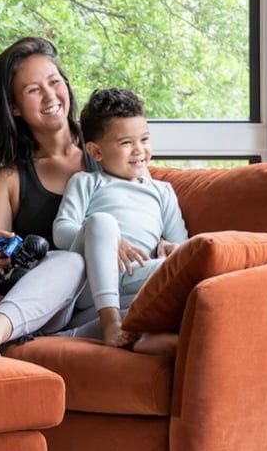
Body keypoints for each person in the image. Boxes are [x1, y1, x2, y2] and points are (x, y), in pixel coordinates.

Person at [0, 36, 98, 356]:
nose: (50, 96)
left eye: (54, 82)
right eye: (33, 90)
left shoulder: (105, 149)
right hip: (33, 303)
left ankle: (73, 339)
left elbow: (146, 203)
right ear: (14, 108)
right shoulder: (9, 179)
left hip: (97, 303)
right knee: (73, 261)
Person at [53, 88, 188, 353]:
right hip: (93, 278)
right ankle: (110, 321)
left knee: (190, 266)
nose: (139, 150)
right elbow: (62, 232)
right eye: (126, 143)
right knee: (103, 221)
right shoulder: (87, 182)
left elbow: (183, 246)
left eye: (144, 139)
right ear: (96, 152)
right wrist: (110, 240)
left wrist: (169, 246)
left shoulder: (162, 192)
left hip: (137, 274)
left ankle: (144, 334)